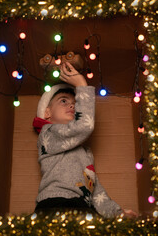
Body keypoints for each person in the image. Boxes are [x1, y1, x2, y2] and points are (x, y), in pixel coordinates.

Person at [33, 62, 137, 218]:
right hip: (54, 204)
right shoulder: (47, 134)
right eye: (63, 101)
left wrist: (117, 213)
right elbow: (83, 126)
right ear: (47, 112)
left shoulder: (84, 152)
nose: (73, 106)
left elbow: (95, 190)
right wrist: (81, 85)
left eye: (76, 103)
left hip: (82, 206)